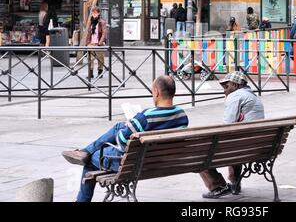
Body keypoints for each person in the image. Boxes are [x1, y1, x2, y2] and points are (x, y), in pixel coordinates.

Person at [62, 75, 189, 202]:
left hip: (134, 163)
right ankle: (85, 151)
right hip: (163, 161)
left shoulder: (146, 116)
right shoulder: (181, 115)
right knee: (120, 126)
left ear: (156, 92)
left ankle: (86, 158)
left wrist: (129, 125)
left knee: (92, 158)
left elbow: (122, 143)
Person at [199, 71, 264, 199]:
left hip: (240, 147)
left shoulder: (235, 96)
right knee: (236, 142)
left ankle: (218, 186)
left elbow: (226, 126)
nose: (224, 91)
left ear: (235, 85)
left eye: (226, 87)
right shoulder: (254, 97)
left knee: (200, 154)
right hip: (257, 147)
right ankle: (235, 182)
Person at [86, 7, 108, 79]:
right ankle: (90, 73)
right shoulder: (90, 22)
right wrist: (87, 43)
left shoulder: (102, 22)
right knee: (90, 58)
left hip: (99, 44)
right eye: (93, 13)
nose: (94, 14)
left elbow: (104, 33)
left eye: (95, 13)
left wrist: (100, 43)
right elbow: (88, 33)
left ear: (98, 13)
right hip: (91, 43)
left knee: (100, 58)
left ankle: (100, 72)